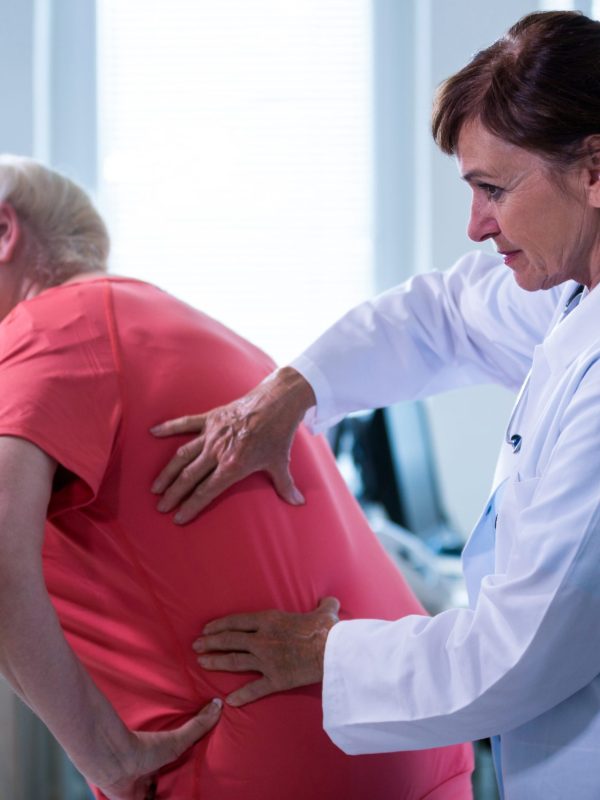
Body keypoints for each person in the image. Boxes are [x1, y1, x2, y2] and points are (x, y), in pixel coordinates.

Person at [151, 10, 600, 799]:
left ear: (594, 170)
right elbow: (444, 317)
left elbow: (515, 655)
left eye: (494, 189)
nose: (475, 225)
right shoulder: (570, 293)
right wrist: (292, 391)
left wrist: (326, 653)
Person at [0, 155, 473, 799]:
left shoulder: (50, 326)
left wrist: (105, 753)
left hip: (277, 760)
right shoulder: (162, 321)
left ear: (6, 232)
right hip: (409, 729)